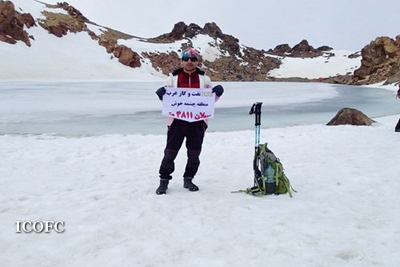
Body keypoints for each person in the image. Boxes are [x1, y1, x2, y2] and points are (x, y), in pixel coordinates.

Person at [154, 47, 224, 195]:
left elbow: (208, 101)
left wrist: (217, 94)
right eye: (186, 59)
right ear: (182, 61)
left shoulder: (205, 79)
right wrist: (162, 95)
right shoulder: (172, 78)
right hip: (177, 121)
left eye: (193, 59)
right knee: (170, 153)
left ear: (197, 61)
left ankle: (189, 179)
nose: (189, 62)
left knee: (194, 154)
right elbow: (169, 101)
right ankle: (164, 181)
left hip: (197, 122)